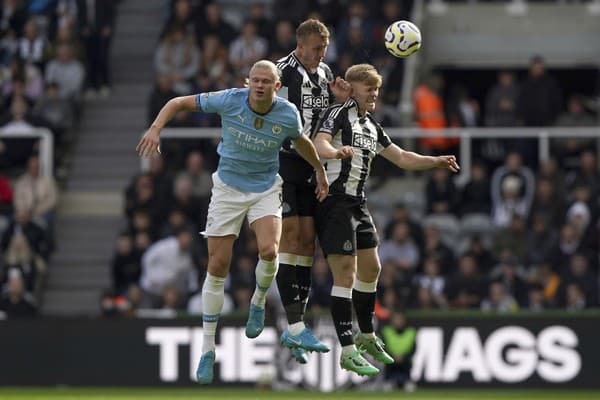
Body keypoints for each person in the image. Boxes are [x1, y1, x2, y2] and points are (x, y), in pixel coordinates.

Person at [136, 59, 329, 385]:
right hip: (227, 190)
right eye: (255, 80)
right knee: (218, 266)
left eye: (266, 81)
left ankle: (257, 303)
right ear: (247, 81)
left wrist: (321, 170)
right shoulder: (228, 98)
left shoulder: (286, 114)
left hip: (266, 187)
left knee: (270, 251)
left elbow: (301, 142)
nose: (259, 85)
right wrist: (156, 128)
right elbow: (178, 102)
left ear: (276, 87)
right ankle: (207, 348)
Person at [313, 64, 459, 376]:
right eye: (369, 89)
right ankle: (347, 350)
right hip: (336, 202)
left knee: (373, 268)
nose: (375, 95)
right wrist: (335, 154)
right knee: (345, 274)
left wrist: (434, 161)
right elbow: (319, 142)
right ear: (352, 90)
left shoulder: (372, 126)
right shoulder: (339, 113)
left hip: (358, 203)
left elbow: (402, 157)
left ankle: (366, 335)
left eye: (377, 90)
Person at [274, 18, 351, 364]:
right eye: (317, 48)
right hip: (284, 162)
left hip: (312, 164)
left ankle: (298, 326)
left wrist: (340, 101)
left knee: (307, 241)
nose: (322, 54)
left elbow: (326, 122)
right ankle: (292, 324)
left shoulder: (325, 74)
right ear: (300, 45)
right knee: (290, 236)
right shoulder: (282, 72)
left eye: (325, 48)